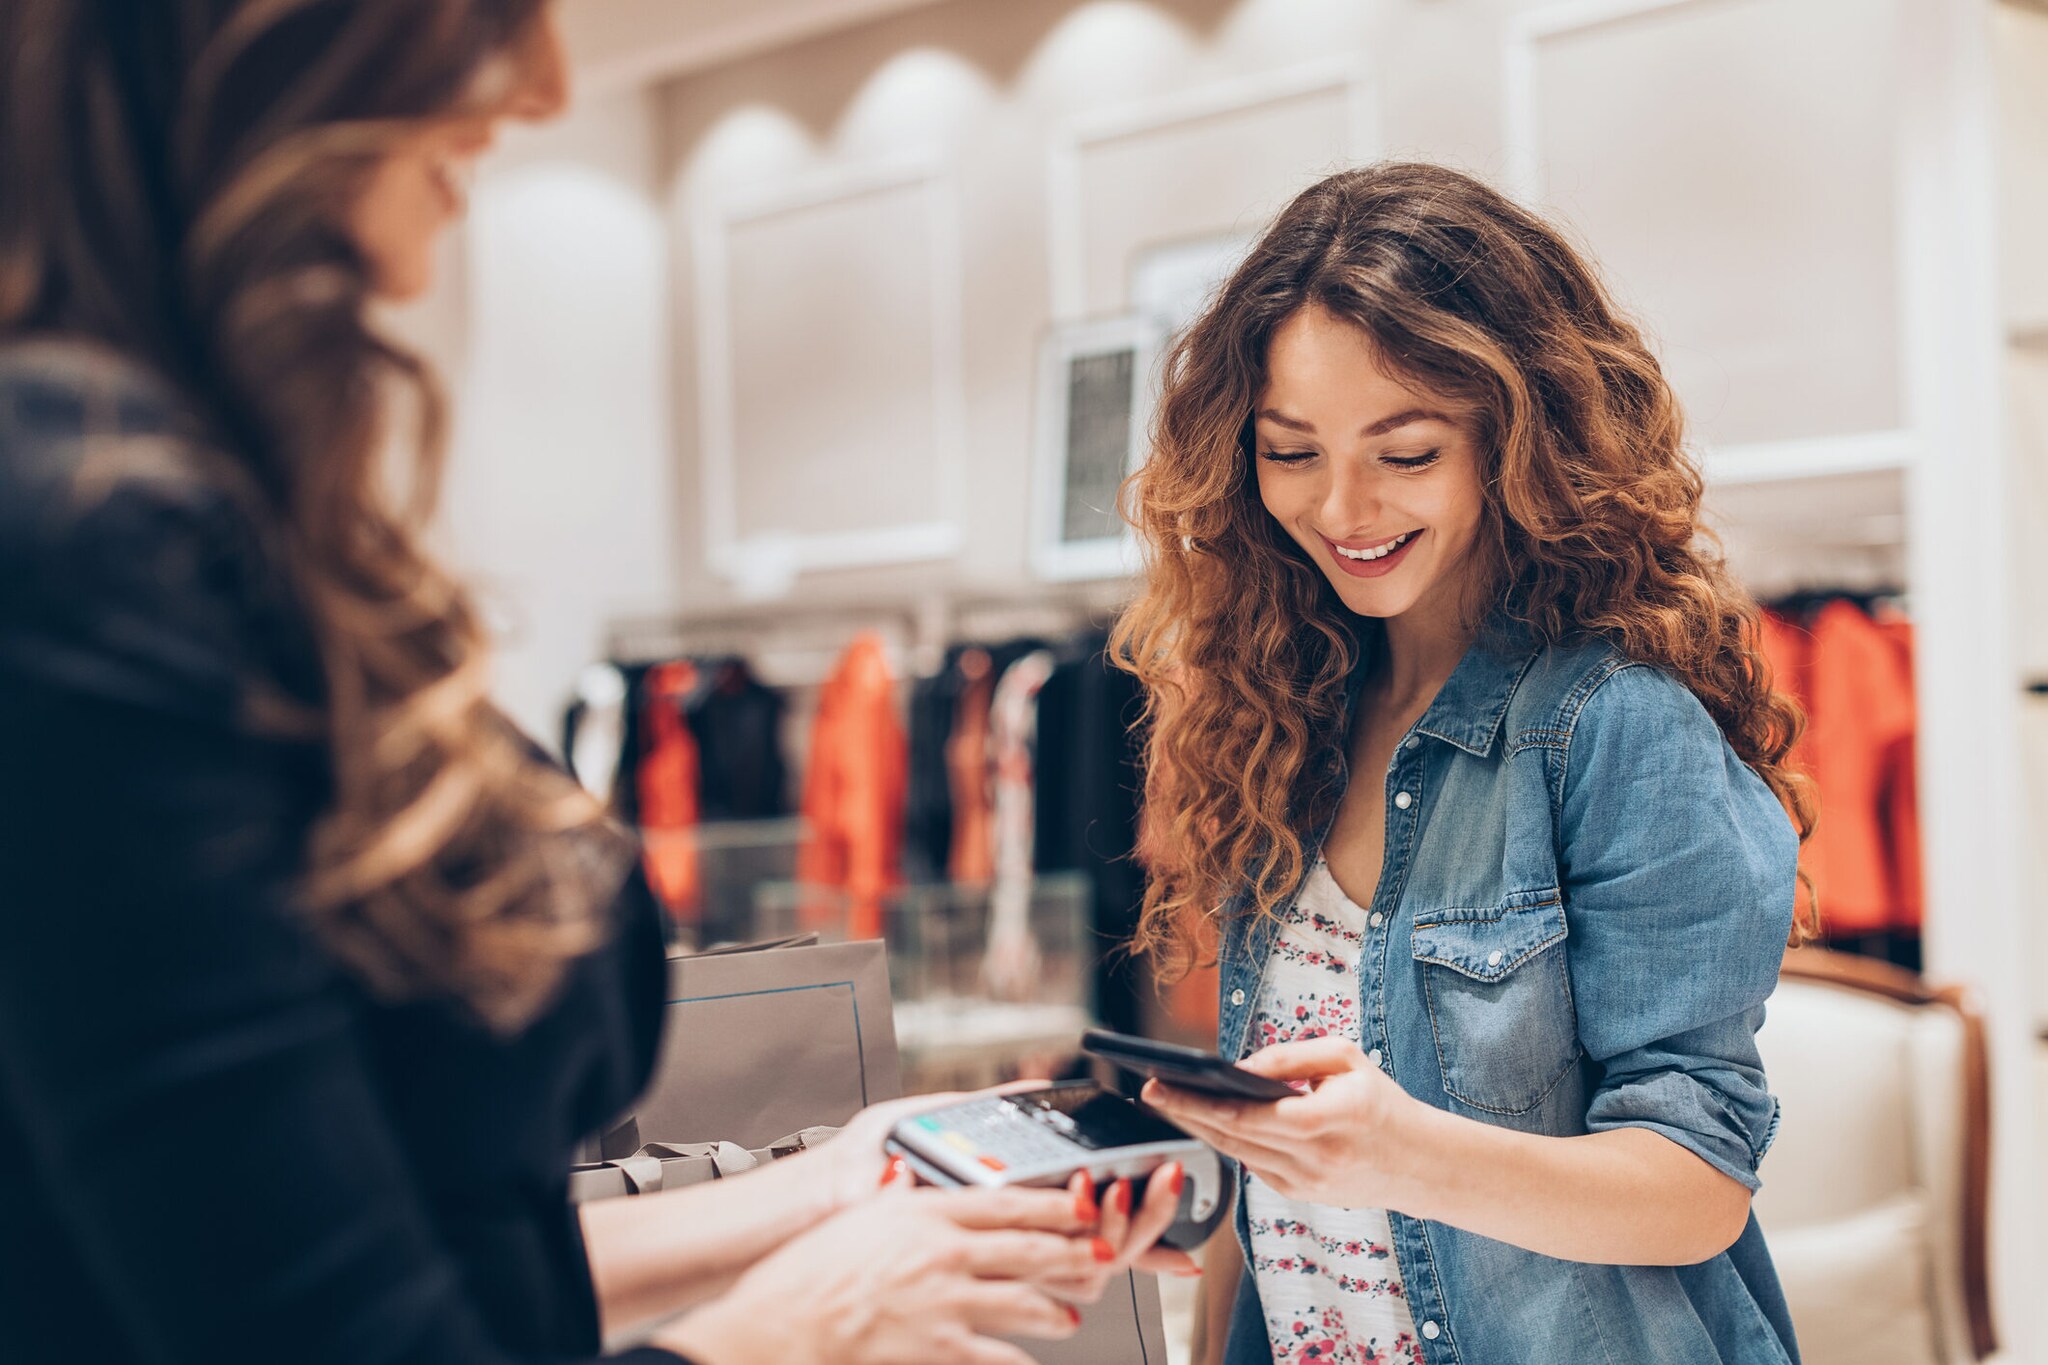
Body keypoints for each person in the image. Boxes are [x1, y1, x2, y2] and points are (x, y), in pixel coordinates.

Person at [0, 4, 1187, 1362]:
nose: (549, 86)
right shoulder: (84, 537)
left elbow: (398, 1261)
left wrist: (841, 1180)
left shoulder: (187, 507)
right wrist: (807, 1329)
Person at [1111, 162, 1813, 1365]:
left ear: (1517, 435)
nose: (1342, 506)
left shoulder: (1609, 726)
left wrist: (1400, 1154)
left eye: (1406, 451)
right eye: (1289, 452)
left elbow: (1695, 1183)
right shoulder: (1275, 721)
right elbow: (1275, 1152)